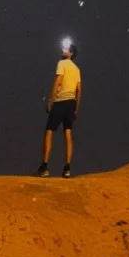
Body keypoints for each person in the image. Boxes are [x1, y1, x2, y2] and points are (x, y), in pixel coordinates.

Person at [35, 39, 81, 175]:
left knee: (49, 131)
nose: (63, 50)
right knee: (68, 133)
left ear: (71, 53)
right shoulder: (77, 69)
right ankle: (67, 167)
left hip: (60, 101)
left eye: (66, 49)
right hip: (71, 102)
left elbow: (57, 82)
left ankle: (44, 166)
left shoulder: (62, 63)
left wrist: (50, 100)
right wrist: (76, 108)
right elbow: (79, 90)